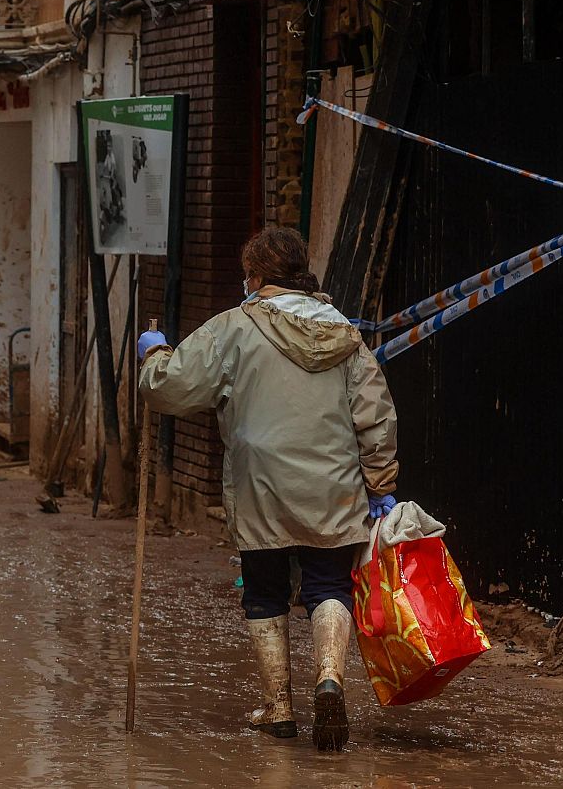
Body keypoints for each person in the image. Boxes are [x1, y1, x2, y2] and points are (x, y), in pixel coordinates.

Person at [135, 226, 399, 753]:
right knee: (329, 585)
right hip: (333, 482)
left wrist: (154, 356)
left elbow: (171, 388)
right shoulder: (345, 334)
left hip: (260, 484)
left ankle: (279, 708)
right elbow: (376, 415)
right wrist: (381, 482)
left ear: (254, 276)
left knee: (264, 589)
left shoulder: (234, 327)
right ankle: (330, 679)